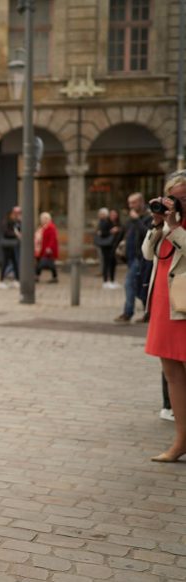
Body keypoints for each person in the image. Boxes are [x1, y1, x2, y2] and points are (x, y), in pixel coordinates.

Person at [143, 170, 186, 462]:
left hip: (184, 303)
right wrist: (158, 224)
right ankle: (181, 440)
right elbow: (148, 253)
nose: (176, 203)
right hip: (164, 302)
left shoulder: (179, 226)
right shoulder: (166, 223)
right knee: (171, 373)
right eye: (173, 197)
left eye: (182, 197)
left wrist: (174, 226)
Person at [115, 193, 152, 323]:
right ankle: (148, 313)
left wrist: (136, 220)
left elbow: (148, 234)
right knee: (140, 285)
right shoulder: (130, 218)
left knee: (129, 283)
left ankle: (128, 313)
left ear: (141, 202)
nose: (131, 206)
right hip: (130, 257)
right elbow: (125, 233)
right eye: (130, 203)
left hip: (142, 257)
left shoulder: (149, 217)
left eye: (134, 203)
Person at [95, 207, 122, 288]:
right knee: (106, 263)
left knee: (113, 263)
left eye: (115, 214)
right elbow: (101, 233)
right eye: (112, 214)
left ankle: (112, 280)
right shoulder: (105, 223)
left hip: (114, 246)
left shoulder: (118, 223)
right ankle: (106, 281)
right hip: (106, 246)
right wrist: (111, 231)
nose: (113, 216)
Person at [0, 206, 21, 289]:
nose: (16, 215)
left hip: (13, 245)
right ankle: (1, 280)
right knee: (5, 262)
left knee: (14, 262)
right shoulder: (6, 221)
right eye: (14, 214)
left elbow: (19, 229)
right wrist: (15, 234)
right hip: (7, 245)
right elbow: (5, 232)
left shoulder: (16, 222)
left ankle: (17, 280)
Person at [34, 212, 59, 283]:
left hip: (47, 249)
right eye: (41, 219)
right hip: (41, 248)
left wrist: (49, 248)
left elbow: (52, 238)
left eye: (43, 219)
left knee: (44, 263)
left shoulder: (51, 227)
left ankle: (37, 276)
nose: (42, 220)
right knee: (46, 263)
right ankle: (38, 276)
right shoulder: (43, 227)